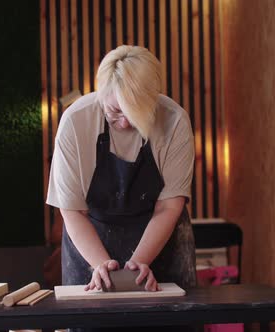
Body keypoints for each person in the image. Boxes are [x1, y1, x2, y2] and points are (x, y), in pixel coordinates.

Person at [47, 45, 196, 302]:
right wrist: (102, 265)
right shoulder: (75, 122)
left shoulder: (174, 122)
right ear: (101, 95)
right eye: (115, 111)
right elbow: (72, 211)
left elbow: (168, 208)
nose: (125, 123)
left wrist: (137, 266)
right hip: (91, 238)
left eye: (133, 113)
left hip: (159, 240)